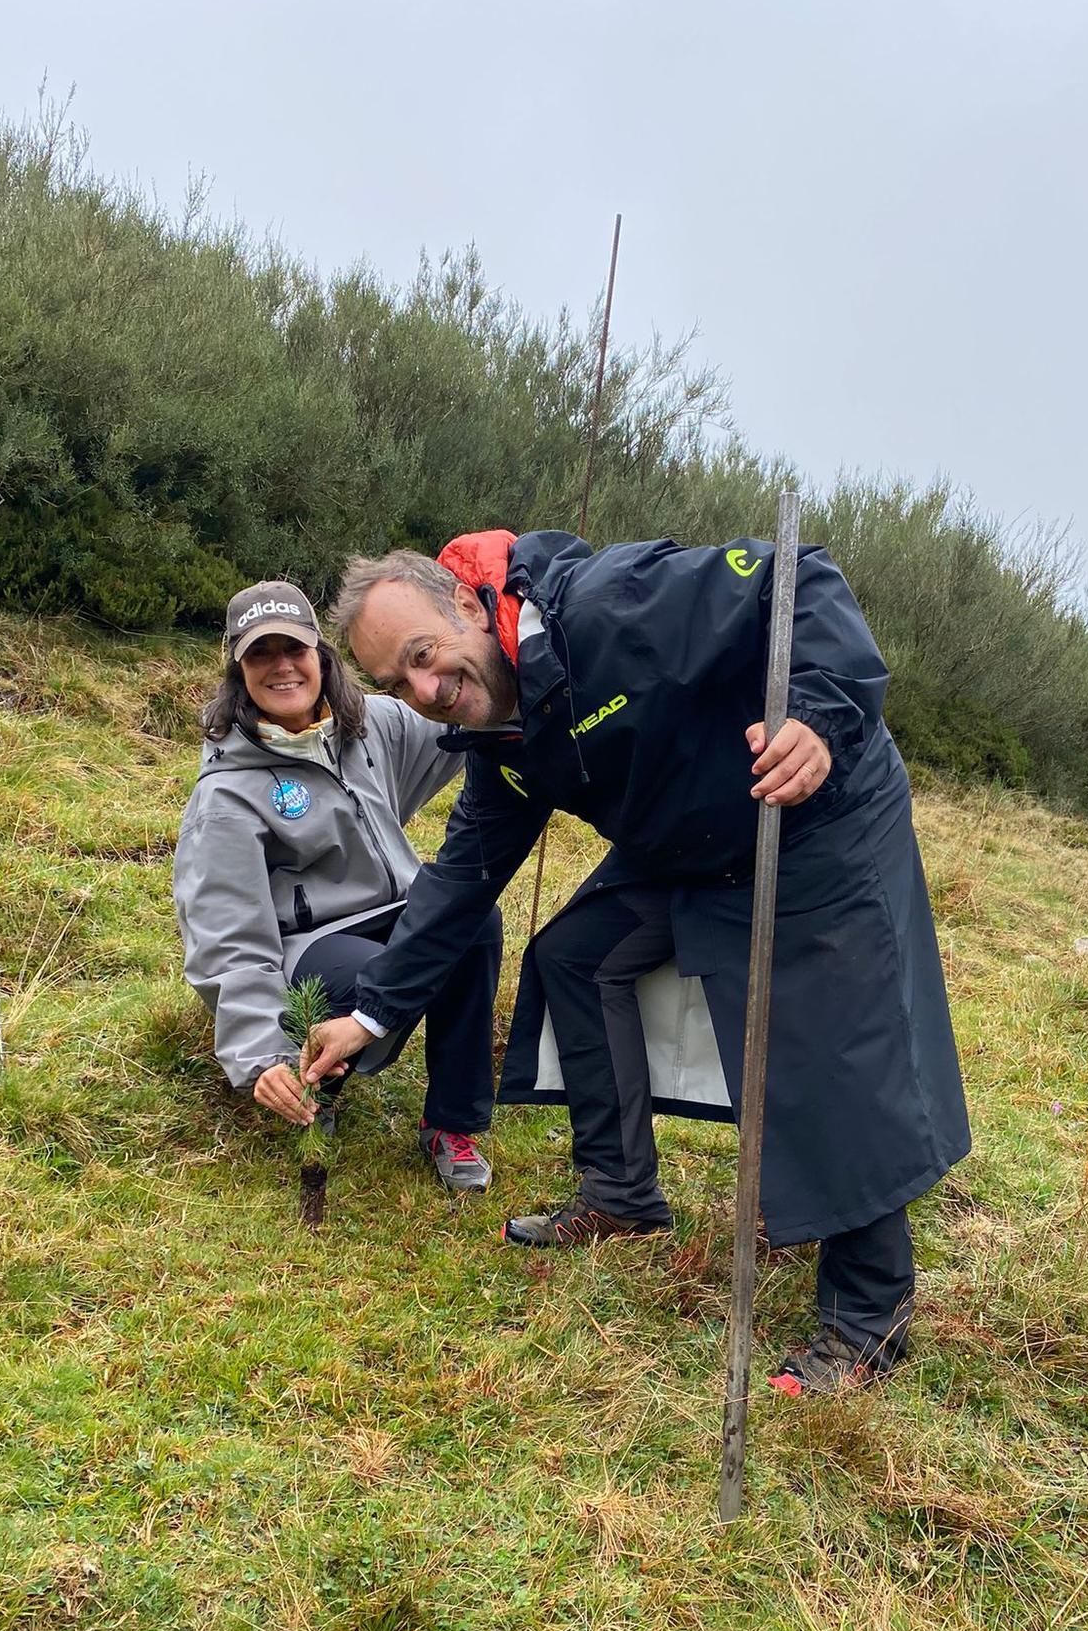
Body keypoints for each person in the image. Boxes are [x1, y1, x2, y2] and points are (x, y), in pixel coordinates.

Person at [304, 532, 971, 1392]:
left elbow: (796, 577)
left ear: (468, 605)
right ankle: (619, 1192)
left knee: (826, 1052)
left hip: (812, 816)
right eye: (399, 684)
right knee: (577, 958)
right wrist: (370, 1015)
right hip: (691, 835)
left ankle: (865, 1327)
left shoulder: (608, 605)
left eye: (425, 656)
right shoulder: (503, 741)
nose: (427, 692)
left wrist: (817, 719)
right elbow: (460, 884)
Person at [171, 577, 502, 1192]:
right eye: (260, 654)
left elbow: (462, 716)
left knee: (472, 921)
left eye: (293, 649)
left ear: (320, 655)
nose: (281, 667)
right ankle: (315, 1080)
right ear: (237, 670)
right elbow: (226, 932)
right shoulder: (227, 795)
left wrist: (514, 680)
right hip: (311, 947)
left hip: (398, 906)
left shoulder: (371, 724)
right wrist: (259, 1053)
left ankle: (450, 1124)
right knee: (371, 974)